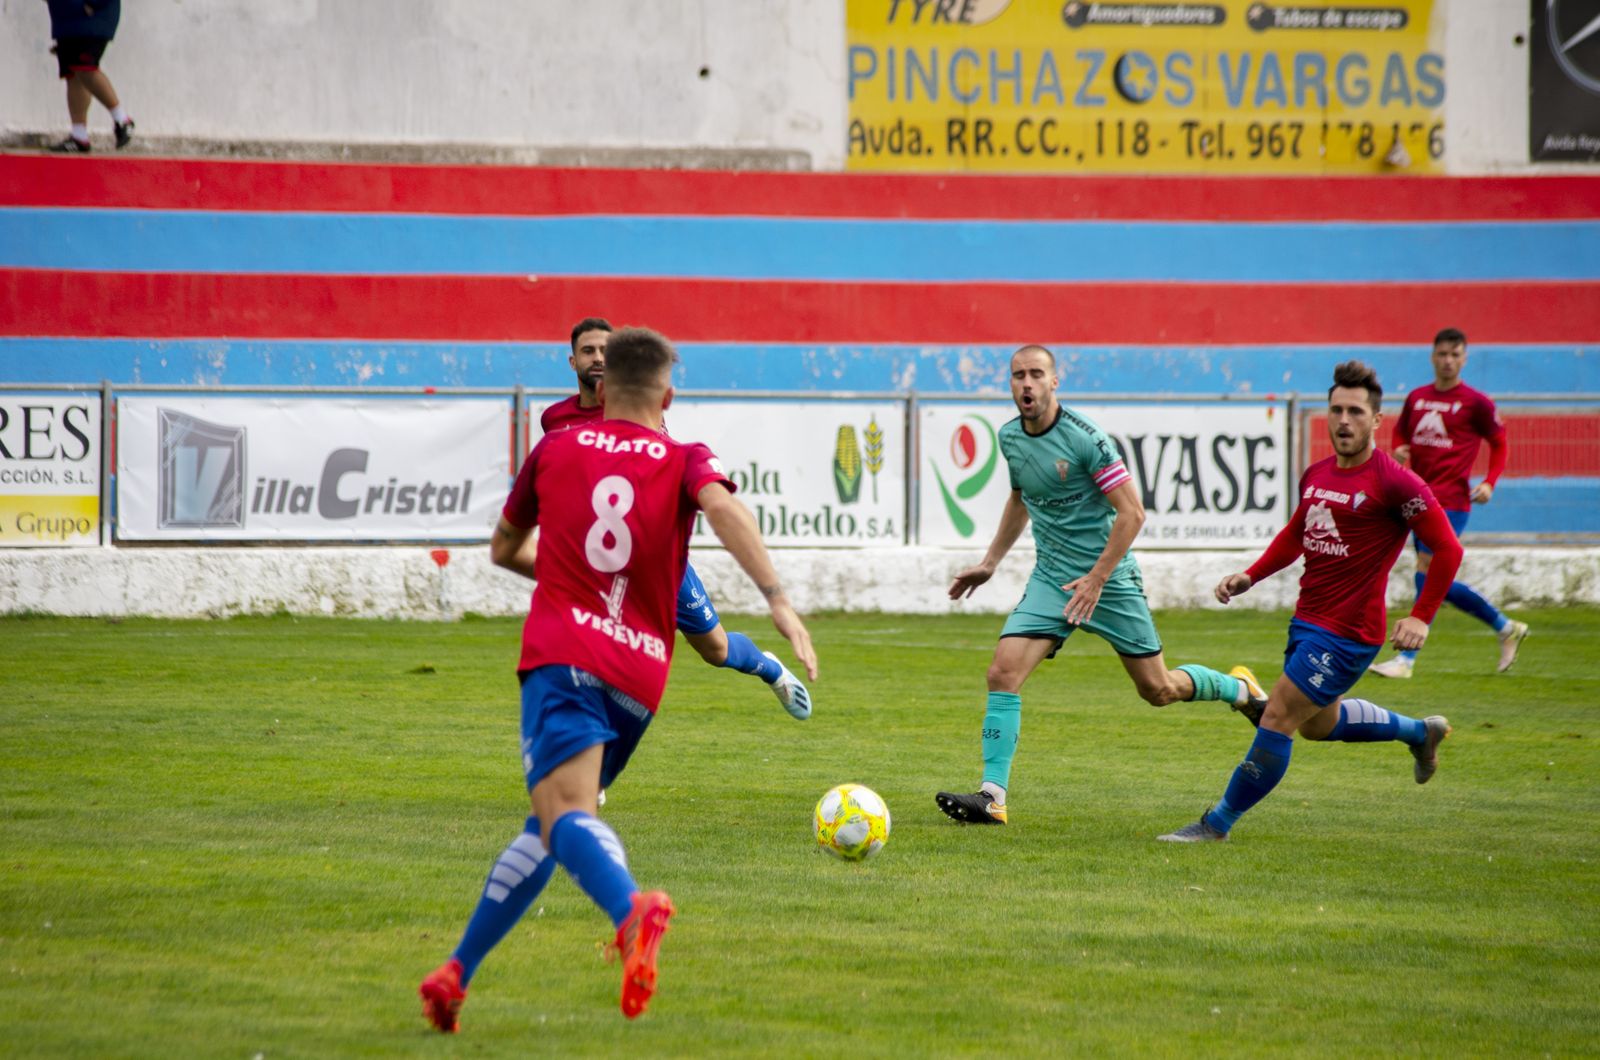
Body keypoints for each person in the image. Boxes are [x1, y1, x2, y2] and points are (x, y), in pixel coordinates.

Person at [418, 327, 818, 1029]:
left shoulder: (557, 446)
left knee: (566, 816)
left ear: (602, 389)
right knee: (549, 825)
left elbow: (505, 548)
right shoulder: (685, 455)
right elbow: (723, 508)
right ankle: (456, 974)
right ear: (667, 393)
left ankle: (631, 908)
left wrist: (570, 579)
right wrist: (778, 598)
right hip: (640, 672)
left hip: (566, 656)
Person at [934, 345, 1269, 826]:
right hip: (1052, 581)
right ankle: (992, 798)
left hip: (1109, 583)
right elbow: (1019, 499)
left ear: (1055, 382)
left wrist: (1097, 577)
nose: (1026, 384)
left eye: (1035, 375)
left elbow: (1133, 513)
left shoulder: (1085, 438)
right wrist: (990, 563)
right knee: (1002, 673)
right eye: (1017, 376)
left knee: (1157, 689)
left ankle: (1238, 689)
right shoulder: (1010, 438)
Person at [1159, 360, 1463, 844]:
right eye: (1337, 410)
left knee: (1278, 714)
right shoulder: (1317, 474)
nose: (1344, 420)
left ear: (1376, 421)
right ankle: (1418, 733)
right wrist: (1250, 576)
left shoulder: (1396, 482)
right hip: (1308, 622)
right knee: (1320, 725)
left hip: (1349, 633)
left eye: (1356, 412)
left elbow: (1448, 547)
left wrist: (1422, 617)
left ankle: (1215, 824)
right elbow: (1298, 534)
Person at [541, 316, 812, 720]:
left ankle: (769, 667)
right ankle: (587, 771)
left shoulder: (639, 410)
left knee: (715, 649)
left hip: (659, 558)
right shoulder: (555, 423)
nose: (598, 358)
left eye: (606, 351)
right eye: (588, 351)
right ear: (572, 361)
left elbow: (713, 500)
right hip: (599, 563)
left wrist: (777, 600)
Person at [1369, 327, 1528, 678]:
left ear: (1464, 358)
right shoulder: (1418, 398)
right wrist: (1398, 450)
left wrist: (1489, 481)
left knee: (1429, 571)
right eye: (1442, 354)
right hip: (1415, 496)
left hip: (1453, 499)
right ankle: (1505, 627)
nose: (1447, 361)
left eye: (1455, 355)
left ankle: (1407, 659)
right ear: (1432, 356)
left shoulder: (1476, 402)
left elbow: (1499, 443)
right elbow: (1400, 431)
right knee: (1427, 579)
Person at [43, 0, 134, 153]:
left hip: (91, 16)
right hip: (65, 17)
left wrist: (94, 3)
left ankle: (122, 120)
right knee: (72, 74)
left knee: (86, 69)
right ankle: (79, 136)